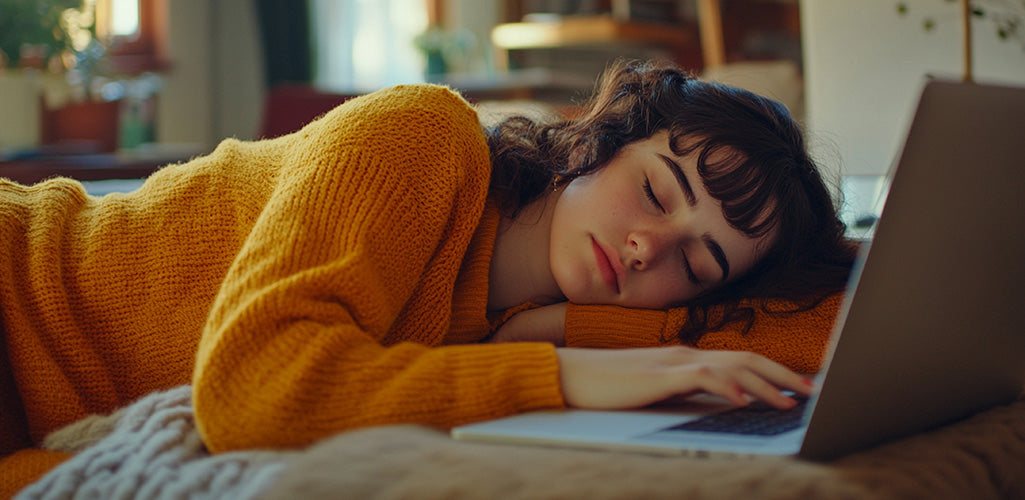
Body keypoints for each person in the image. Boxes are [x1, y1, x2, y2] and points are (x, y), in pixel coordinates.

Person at [0, 59, 855, 495]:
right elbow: (251, 392)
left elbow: (822, 342)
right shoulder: (421, 137)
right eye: (655, 190)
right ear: (599, 142)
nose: (647, 250)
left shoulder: (514, 314)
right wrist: (572, 369)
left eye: (697, 262)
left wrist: (570, 330)